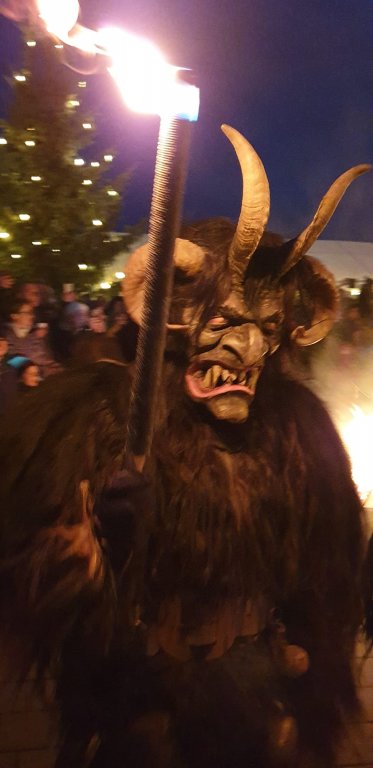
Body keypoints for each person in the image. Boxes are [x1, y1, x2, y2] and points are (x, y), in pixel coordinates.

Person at [0, 127, 370, 768]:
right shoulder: (100, 417)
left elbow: (330, 581)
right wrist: (95, 546)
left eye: (267, 328)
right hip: (139, 701)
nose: (248, 349)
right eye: (225, 323)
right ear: (175, 318)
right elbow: (28, 586)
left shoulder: (299, 430)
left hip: (258, 699)